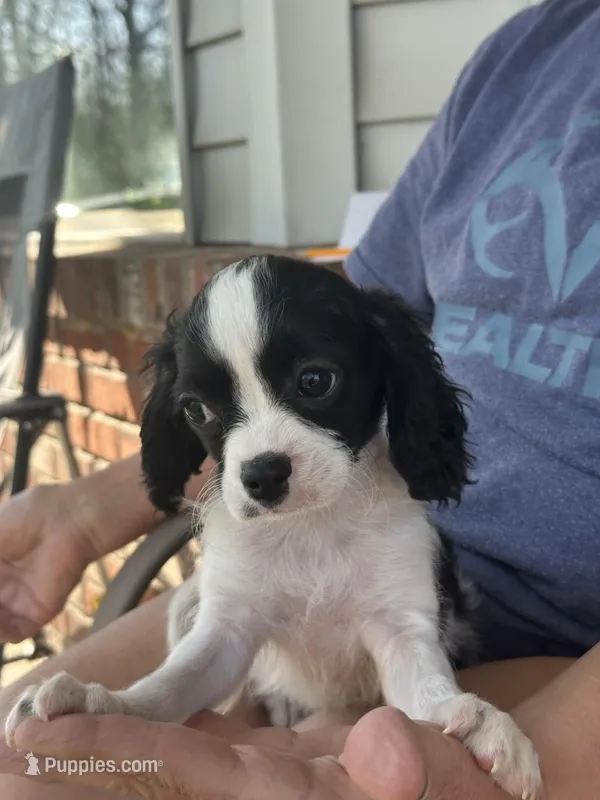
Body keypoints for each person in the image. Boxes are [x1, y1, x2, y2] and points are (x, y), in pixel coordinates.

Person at [1, 0, 600, 797]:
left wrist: (500, 737)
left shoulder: (397, 509)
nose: (258, 454)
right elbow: (346, 310)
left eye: (312, 386)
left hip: (540, 647)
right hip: (298, 627)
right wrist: (84, 515)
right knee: (25, 762)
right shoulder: (525, 54)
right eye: (210, 413)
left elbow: (408, 645)